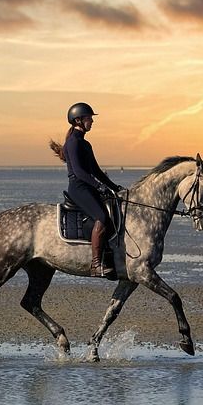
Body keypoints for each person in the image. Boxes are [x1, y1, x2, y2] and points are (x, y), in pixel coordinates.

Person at [57, 102, 122, 277]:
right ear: (78, 120)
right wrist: (99, 186)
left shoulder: (85, 144)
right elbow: (79, 172)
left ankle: (109, 256)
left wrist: (114, 187)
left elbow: (96, 171)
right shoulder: (72, 143)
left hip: (88, 185)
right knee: (101, 217)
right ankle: (95, 265)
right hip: (78, 187)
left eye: (91, 118)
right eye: (89, 118)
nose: (92, 121)